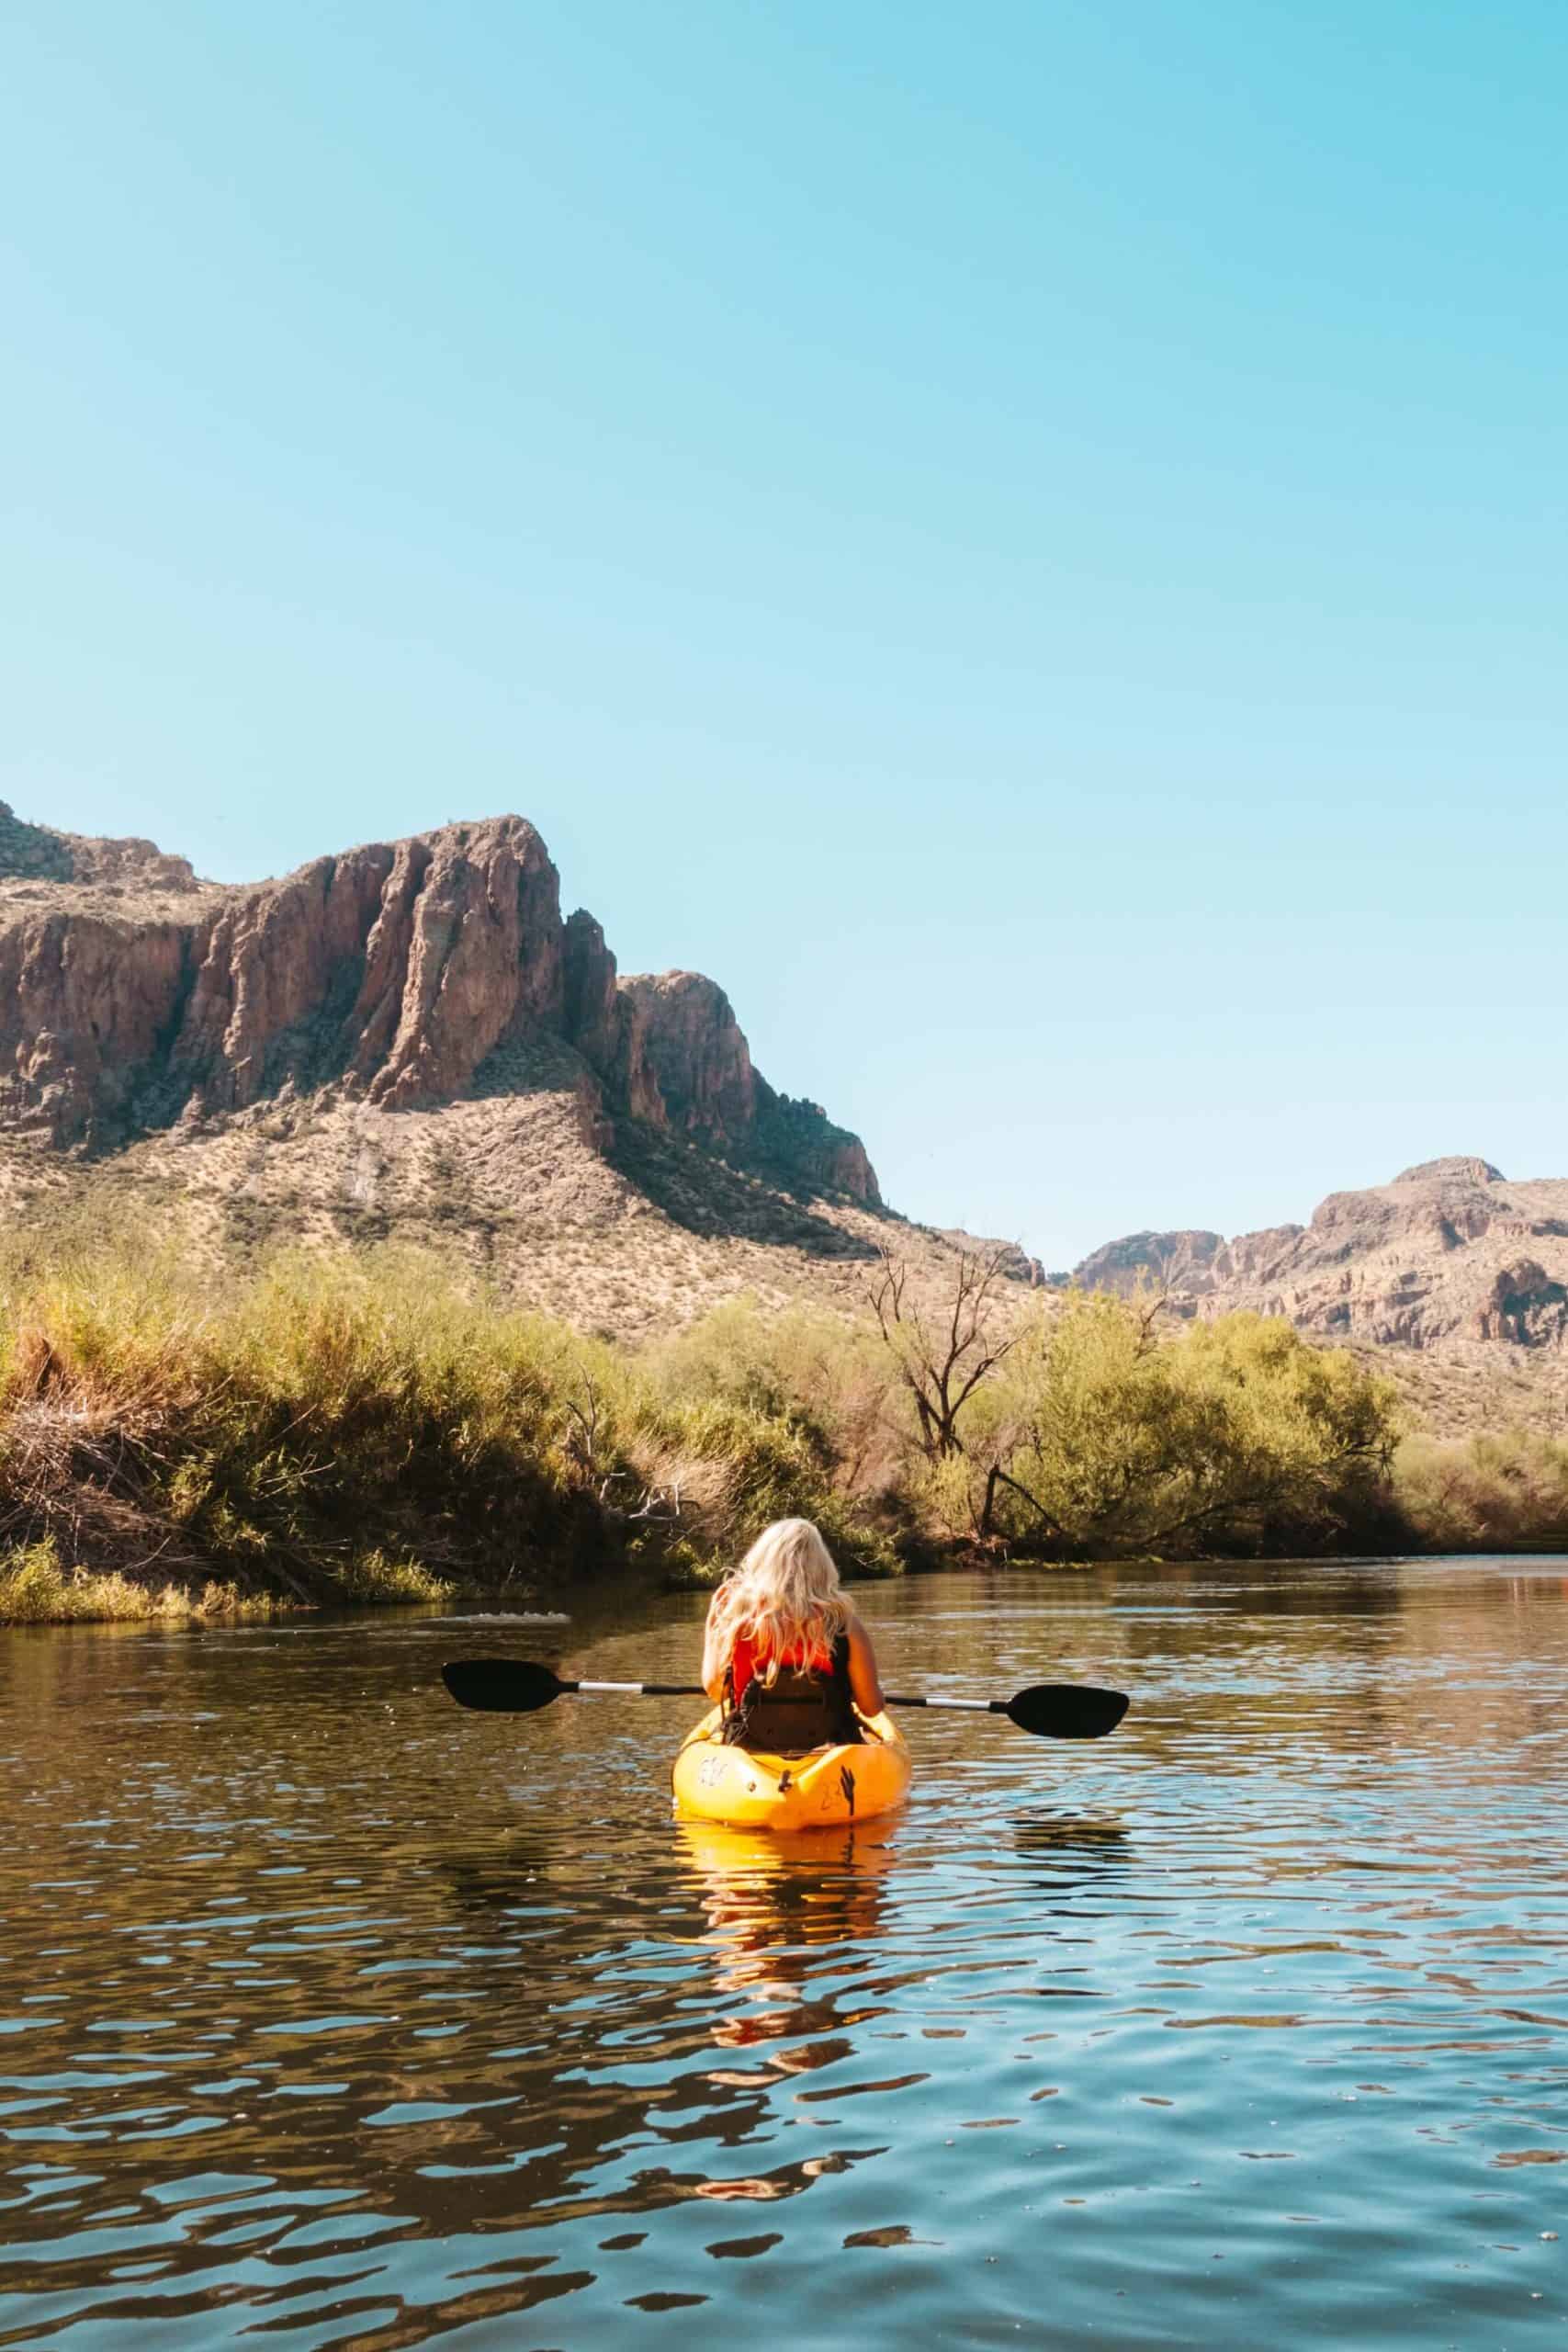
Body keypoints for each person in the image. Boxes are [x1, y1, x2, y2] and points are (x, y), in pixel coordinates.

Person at [701, 1517, 885, 1751]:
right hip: (829, 1746)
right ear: (823, 1568)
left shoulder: (735, 1617)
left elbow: (716, 1691)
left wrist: (712, 1621)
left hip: (751, 1745)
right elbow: (871, 1707)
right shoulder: (843, 1623)